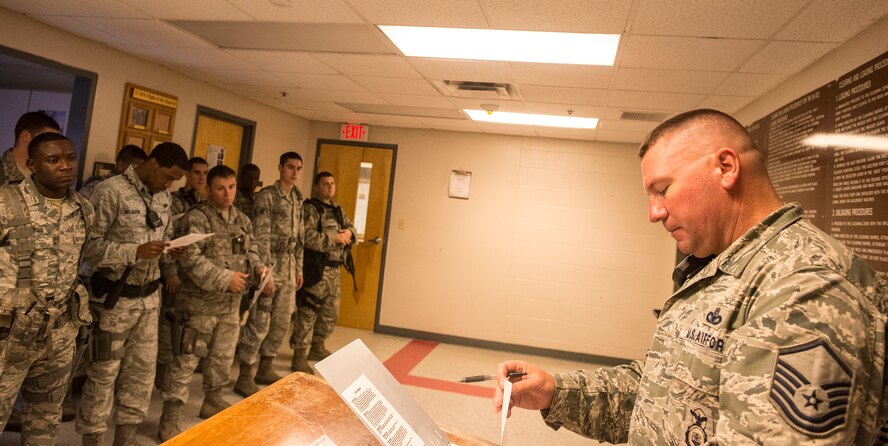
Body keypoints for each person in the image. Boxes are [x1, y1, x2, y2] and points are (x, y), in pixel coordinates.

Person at [494, 109, 888, 444]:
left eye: (662, 189)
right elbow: (663, 391)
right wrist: (557, 392)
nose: (654, 212)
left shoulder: (803, 288)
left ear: (726, 168)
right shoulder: (725, 267)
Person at [76, 142, 189, 446]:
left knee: (139, 379)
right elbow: (89, 248)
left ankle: (124, 440)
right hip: (114, 301)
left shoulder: (164, 197)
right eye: (167, 177)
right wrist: (133, 252)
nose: (169, 185)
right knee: (103, 377)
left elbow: (161, 239)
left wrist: (172, 256)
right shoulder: (109, 191)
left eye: (174, 181)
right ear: (152, 163)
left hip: (150, 302)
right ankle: (93, 440)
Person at [157, 165, 268, 441]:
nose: (228, 193)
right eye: (220, 188)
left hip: (230, 306)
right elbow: (190, 259)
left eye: (231, 187)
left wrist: (259, 268)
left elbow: (250, 250)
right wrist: (225, 279)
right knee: (184, 362)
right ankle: (169, 419)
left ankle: (212, 399)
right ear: (208, 189)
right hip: (197, 307)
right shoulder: (197, 219)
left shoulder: (241, 219)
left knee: (222, 358)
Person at [0, 133, 94, 445]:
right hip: (9, 334)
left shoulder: (84, 209)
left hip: (58, 333)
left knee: (45, 418)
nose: (65, 166)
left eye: (71, 158)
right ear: (31, 165)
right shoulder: (5, 203)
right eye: (53, 160)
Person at [234, 153, 303, 394]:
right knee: (259, 323)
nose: (294, 172)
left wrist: (299, 268)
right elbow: (260, 237)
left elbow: (299, 238)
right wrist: (265, 272)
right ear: (280, 168)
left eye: (298, 168)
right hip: (270, 265)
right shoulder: (267, 197)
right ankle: (244, 375)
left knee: (282, 321)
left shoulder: (297, 198)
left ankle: (266, 367)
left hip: (289, 264)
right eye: (290, 167)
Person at [289, 171, 356, 374]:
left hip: (335, 271)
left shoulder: (337, 209)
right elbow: (307, 237)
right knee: (308, 313)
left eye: (332, 183)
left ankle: (317, 347)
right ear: (317, 187)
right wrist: (333, 239)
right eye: (325, 184)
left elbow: (351, 226)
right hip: (318, 269)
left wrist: (349, 233)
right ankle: (299, 354)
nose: (330, 187)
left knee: (330, 313)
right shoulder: (310, 208)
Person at [1, 111, 60, 186]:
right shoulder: (2, 171)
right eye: (46, 139)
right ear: (26, 136)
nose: (52, 147)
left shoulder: (45, 176)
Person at [78, 145, 148, 198]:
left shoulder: (139, 190)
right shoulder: (97, 187)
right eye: (137, 169)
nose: (140, 173)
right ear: (121, 165)